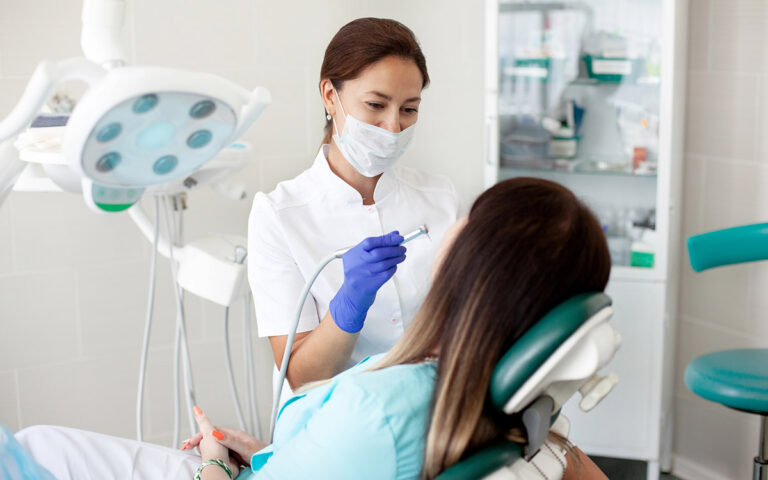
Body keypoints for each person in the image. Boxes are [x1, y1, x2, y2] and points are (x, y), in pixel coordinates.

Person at [11, 177, 611, 480]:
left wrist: (218, 465)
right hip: (289, 460)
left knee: (32, 452)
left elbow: (362, 433)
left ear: (478, 269)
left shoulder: (383, 413)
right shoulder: (523, 400)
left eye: (473, 218)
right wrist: (276, 455)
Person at [247, 17, 460, 397]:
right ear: (330, 95)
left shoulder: (440, 198)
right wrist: (349, 306)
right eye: (376, 104)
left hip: (433, 413)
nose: (393, 127)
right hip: (334, 428)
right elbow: (299, 377)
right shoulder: (279, 215)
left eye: (409, 109)